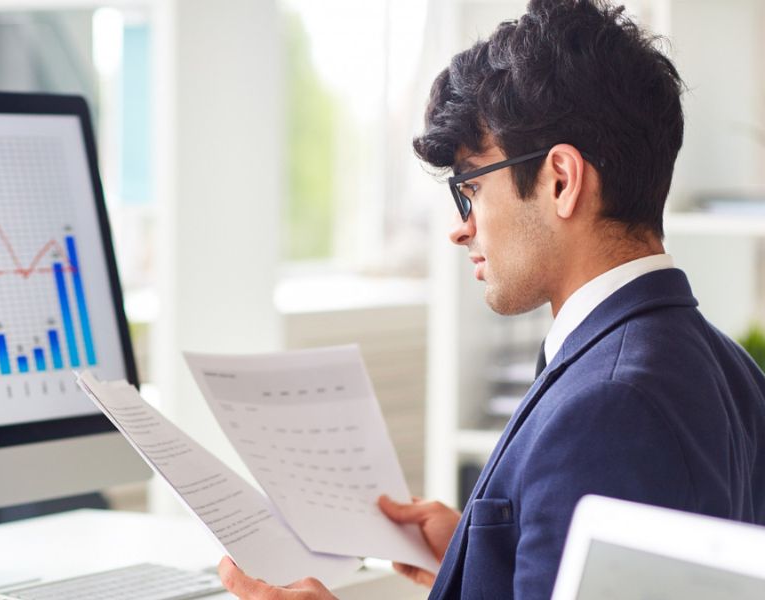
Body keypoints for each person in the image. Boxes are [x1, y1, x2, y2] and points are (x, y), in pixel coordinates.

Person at [218, 0, 765, 598]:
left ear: (561, 179)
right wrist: (479, 557)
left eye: (470, 188)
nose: (460, 227)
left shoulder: (607, 407)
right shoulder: (727, 365)